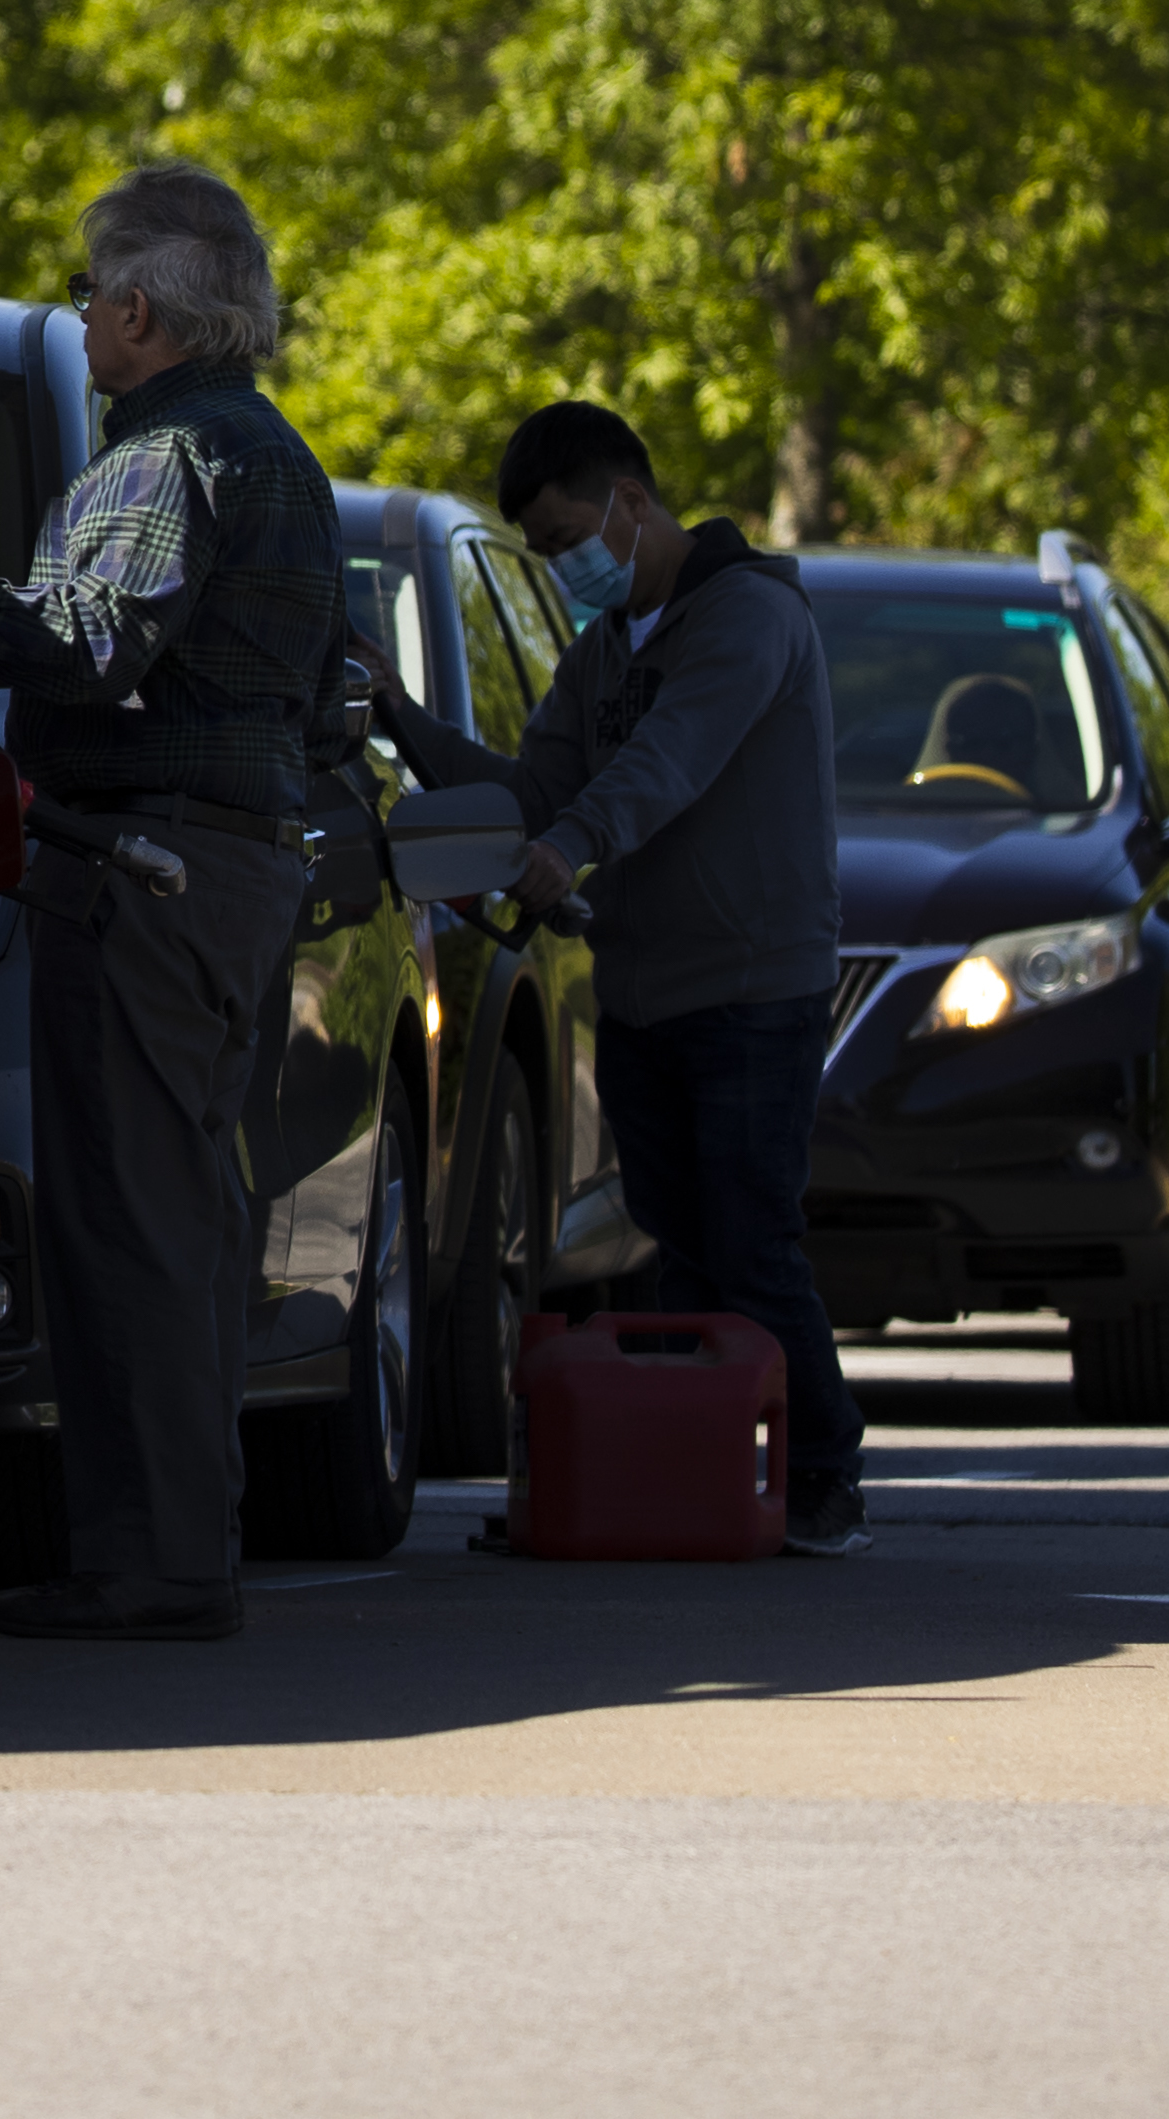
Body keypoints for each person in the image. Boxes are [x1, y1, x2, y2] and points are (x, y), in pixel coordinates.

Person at [0, 165, 340, 1642]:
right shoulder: (271, 452)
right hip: (212, 872)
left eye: (92, 287)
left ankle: (157, 1562)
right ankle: (158, 1542)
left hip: (143, 879)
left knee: (135, 1224)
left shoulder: (166, 460)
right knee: (172, 1215)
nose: (81, 312)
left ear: (141, 311)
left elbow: (88, 643)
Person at [369, 399, 866, 1555]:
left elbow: (667, 762)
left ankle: (823, 1472)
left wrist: (570, 847)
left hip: (750, 990)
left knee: (750, 1241)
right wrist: (398, 719)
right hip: (645, 990)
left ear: (629, 504)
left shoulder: (748, 618)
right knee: (681, 1252)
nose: (560, 566)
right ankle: (707, 1475)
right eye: (541, 551)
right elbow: (527, 790)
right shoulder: (603, 653)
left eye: (563, 539)